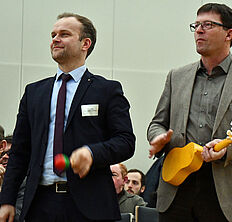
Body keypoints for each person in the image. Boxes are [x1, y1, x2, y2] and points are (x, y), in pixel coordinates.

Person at [147, 3, 232, 222]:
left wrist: (227, 149)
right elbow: (157, 123)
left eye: (207, 25)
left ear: (229, 33)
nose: (199, 30)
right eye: (196, 25)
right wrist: (157, 137)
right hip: (177, 187)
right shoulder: (176, 76)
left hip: (227, 192)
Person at [0, 13, 135, 222]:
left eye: (64, 34)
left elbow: (126, 142)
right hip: (40, 204)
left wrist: (92, 153)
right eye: (53, 34)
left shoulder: (106, 90)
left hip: (90, 206)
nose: (55, 39)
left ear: (85, 43)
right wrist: (6, 200)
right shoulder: (34, 93)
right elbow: (19, 151)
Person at [0, 134, 24, 222]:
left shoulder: (25, 182)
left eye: (10, 153)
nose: (4, 157)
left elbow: (18, 217)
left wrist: (2, 188)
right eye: (2, 154)